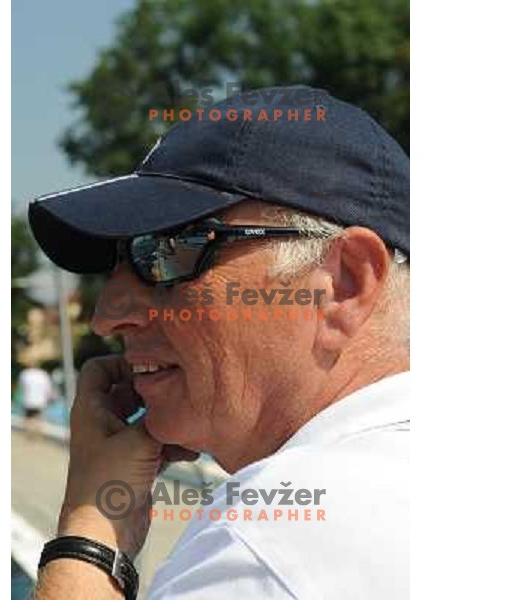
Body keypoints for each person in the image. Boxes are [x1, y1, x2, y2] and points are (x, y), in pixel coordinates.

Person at [29, 86, 409, 599]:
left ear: (344, 284)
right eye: (120, 261)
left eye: (167, 252)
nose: (106, 318)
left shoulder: (269, 543)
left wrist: (90, 533)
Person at [17, 361, 54, 436]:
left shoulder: (25, 374)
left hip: (28, 399)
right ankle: (37, 433)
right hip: (40, 400)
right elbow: (48, 388)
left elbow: (21, 387)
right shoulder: (43, 374)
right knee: (39, 417)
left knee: (29, 418)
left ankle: (29, 434)